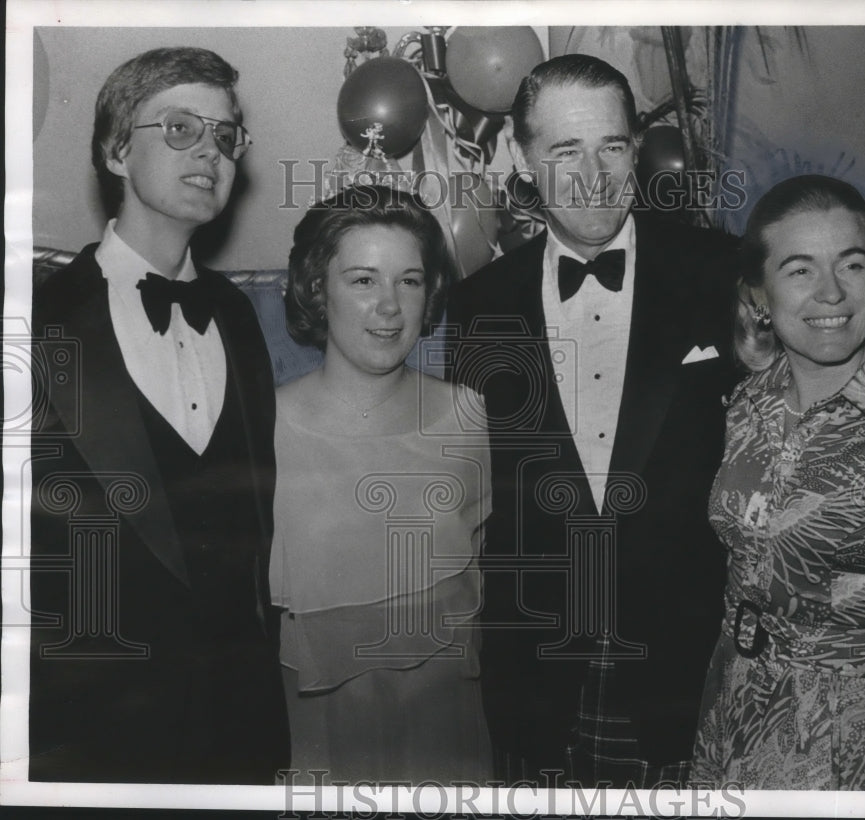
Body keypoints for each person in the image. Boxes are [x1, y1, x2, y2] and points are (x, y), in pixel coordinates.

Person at [447, 54, 739, 787]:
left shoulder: (722, 273)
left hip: (689, 673)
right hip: (539, 680)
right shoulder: (478, 306)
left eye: (611, 146)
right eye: (565, 150)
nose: (595, 173)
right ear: (520, 156)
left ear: (635, 149)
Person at [30, 47, 289, 783]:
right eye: (181, 128)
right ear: (117, 149)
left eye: (226, 135)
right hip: (86, 742)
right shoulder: (36, 321)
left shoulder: (240, 316)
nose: (210, 149)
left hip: (237, 737)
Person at [690, 175, 865, 790]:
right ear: (758, 297)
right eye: (799, 270)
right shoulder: (744, 405)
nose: (831, 293)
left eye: (852, 264)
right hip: (735, 720)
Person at [271, 185, 493, 782]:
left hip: (445, 740)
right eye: (364, 280)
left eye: (410, 281)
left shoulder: (470, 417)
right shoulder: (263, 427)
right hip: (316, 745)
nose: (390, 306)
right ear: (318, 290)